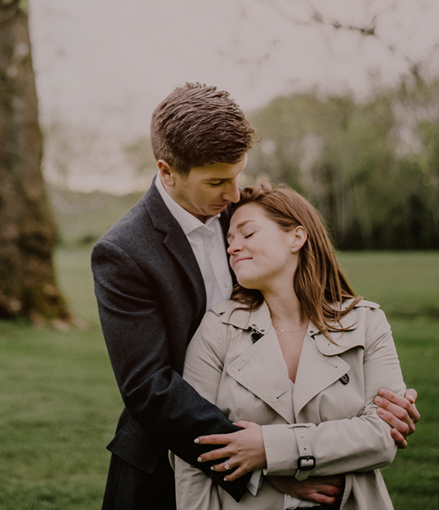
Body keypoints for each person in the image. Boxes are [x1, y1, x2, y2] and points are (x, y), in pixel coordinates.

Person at [91, 83, 418, 510]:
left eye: (238, 173)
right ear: (167, 171)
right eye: (216, 182)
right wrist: (267, 464)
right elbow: (150, 388)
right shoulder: (123, 253)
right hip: (165, 465)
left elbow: (310, 298)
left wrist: (382, 401)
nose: (232, 193)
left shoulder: (246, 216)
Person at [174, 185, 405, 509]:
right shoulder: (218, 328)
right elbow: (193, 448)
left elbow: (382, 438)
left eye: (247, 233)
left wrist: (269, 449)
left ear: (296, 237)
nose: (233, 247)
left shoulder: (367, 323)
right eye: (229, 240)